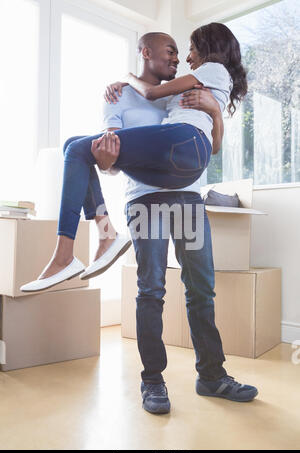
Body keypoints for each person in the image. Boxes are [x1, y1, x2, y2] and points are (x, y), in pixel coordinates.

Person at [22, 23, 258, 414]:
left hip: (188, 198)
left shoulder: (182, 88)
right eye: (169, 50)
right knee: (150, 290)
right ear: (144, 51)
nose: (177, 56)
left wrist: (216, 109)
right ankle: (153, 381)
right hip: (145, 200)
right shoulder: (119, 96)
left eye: (181, 51)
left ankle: (212, 376)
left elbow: (212, 146)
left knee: (202, 288)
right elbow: (110, 163)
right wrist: (111, 158)